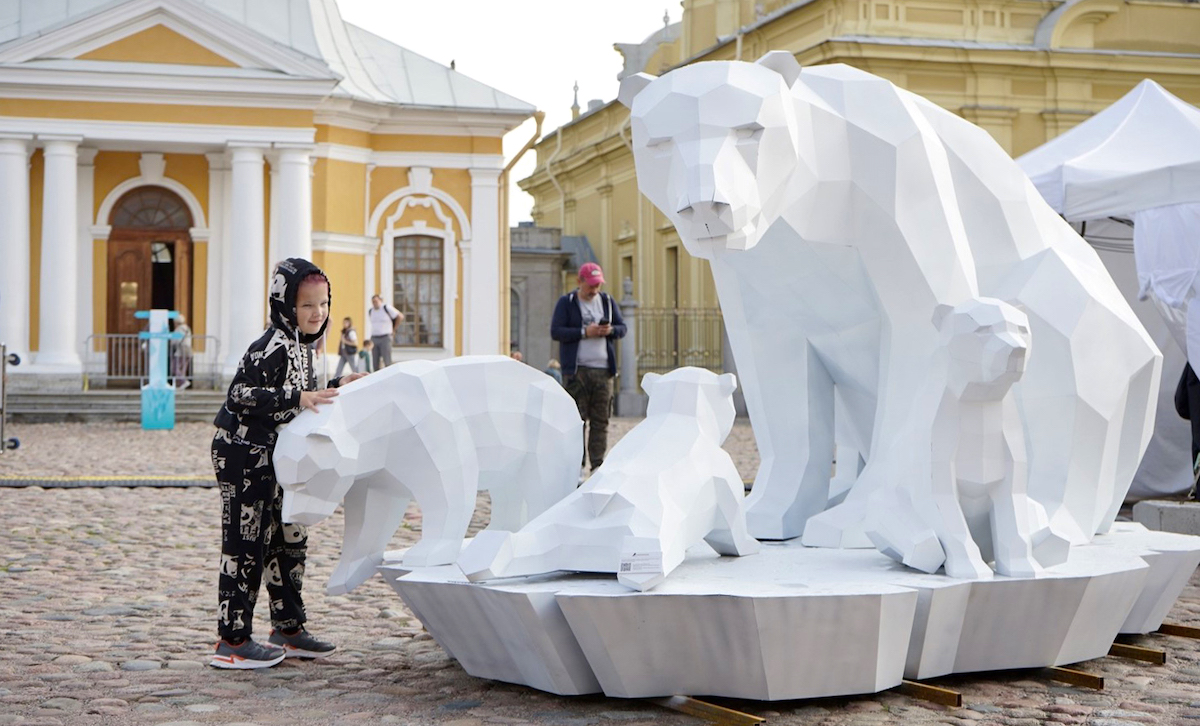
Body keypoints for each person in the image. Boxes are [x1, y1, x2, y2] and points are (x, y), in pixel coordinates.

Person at [210, 257, 368, 669]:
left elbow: (302, 396)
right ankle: (233, 640)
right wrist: (298, 399)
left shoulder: (304, 346)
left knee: (289, 540)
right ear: (285, 306)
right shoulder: (270, 346)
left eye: (323, 303)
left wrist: (334, 388)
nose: (318, 313)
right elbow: (239, 395)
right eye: (307, 306)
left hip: (280, 457)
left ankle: (288, 628)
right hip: (243, 454)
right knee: (248, 544)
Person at [551, 262, 627, 473]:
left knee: (601, 421)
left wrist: (609, 330)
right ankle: (576, 467)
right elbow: (556, 331)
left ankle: (597, 466)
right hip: (577, 372)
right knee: (576, 422)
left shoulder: (608, 302)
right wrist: (585, 332)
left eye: (597, 285)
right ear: (580, 281)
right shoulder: (567, 302)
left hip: (604, 372)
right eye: (591, 285)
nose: (594, 289)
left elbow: (622, 328)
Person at [367, 294, 403, 370]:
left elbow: (400, 316)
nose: (374, 303)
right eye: (373, 302)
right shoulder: (371, 311)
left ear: (380, 301)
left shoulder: (386, 308)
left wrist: (394, 329)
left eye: (376, 301)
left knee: (387, 360)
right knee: (375, 362)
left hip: (385, 337)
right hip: (374, 337)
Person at [173, 313, 193, 389]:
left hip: (181, 351)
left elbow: (175, 341)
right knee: (183, 368)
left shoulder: (178, 329)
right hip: (188, 350)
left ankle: (183, 381)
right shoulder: (187, 328)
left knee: (175, 367)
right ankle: (181, 384)